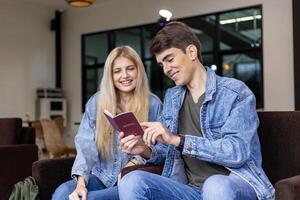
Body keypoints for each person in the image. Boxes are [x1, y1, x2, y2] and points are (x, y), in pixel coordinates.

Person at [118, 22, 275, 200]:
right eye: (162, 65)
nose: (167, 69)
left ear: (191, 52)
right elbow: (168, 152)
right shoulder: (173, 97)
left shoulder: (235, 92)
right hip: (190, 190)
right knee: (132, 181)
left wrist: (178, 140)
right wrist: (145, 150)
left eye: (170, 59)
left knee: (215, 186)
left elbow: (237, 152)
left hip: (234, 185)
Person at [52, 46, 162, 200]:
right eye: (117, 71)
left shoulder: (153, 104)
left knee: (90, 199)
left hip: (130, 180)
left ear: (139, 71)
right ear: (110, 75)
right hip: (102, 177)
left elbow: (161, 152)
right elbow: (85, 148)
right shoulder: (97, 102)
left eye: (130, 69)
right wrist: (81, 183)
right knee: (63, 192)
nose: (125, 75)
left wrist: (136, 161)